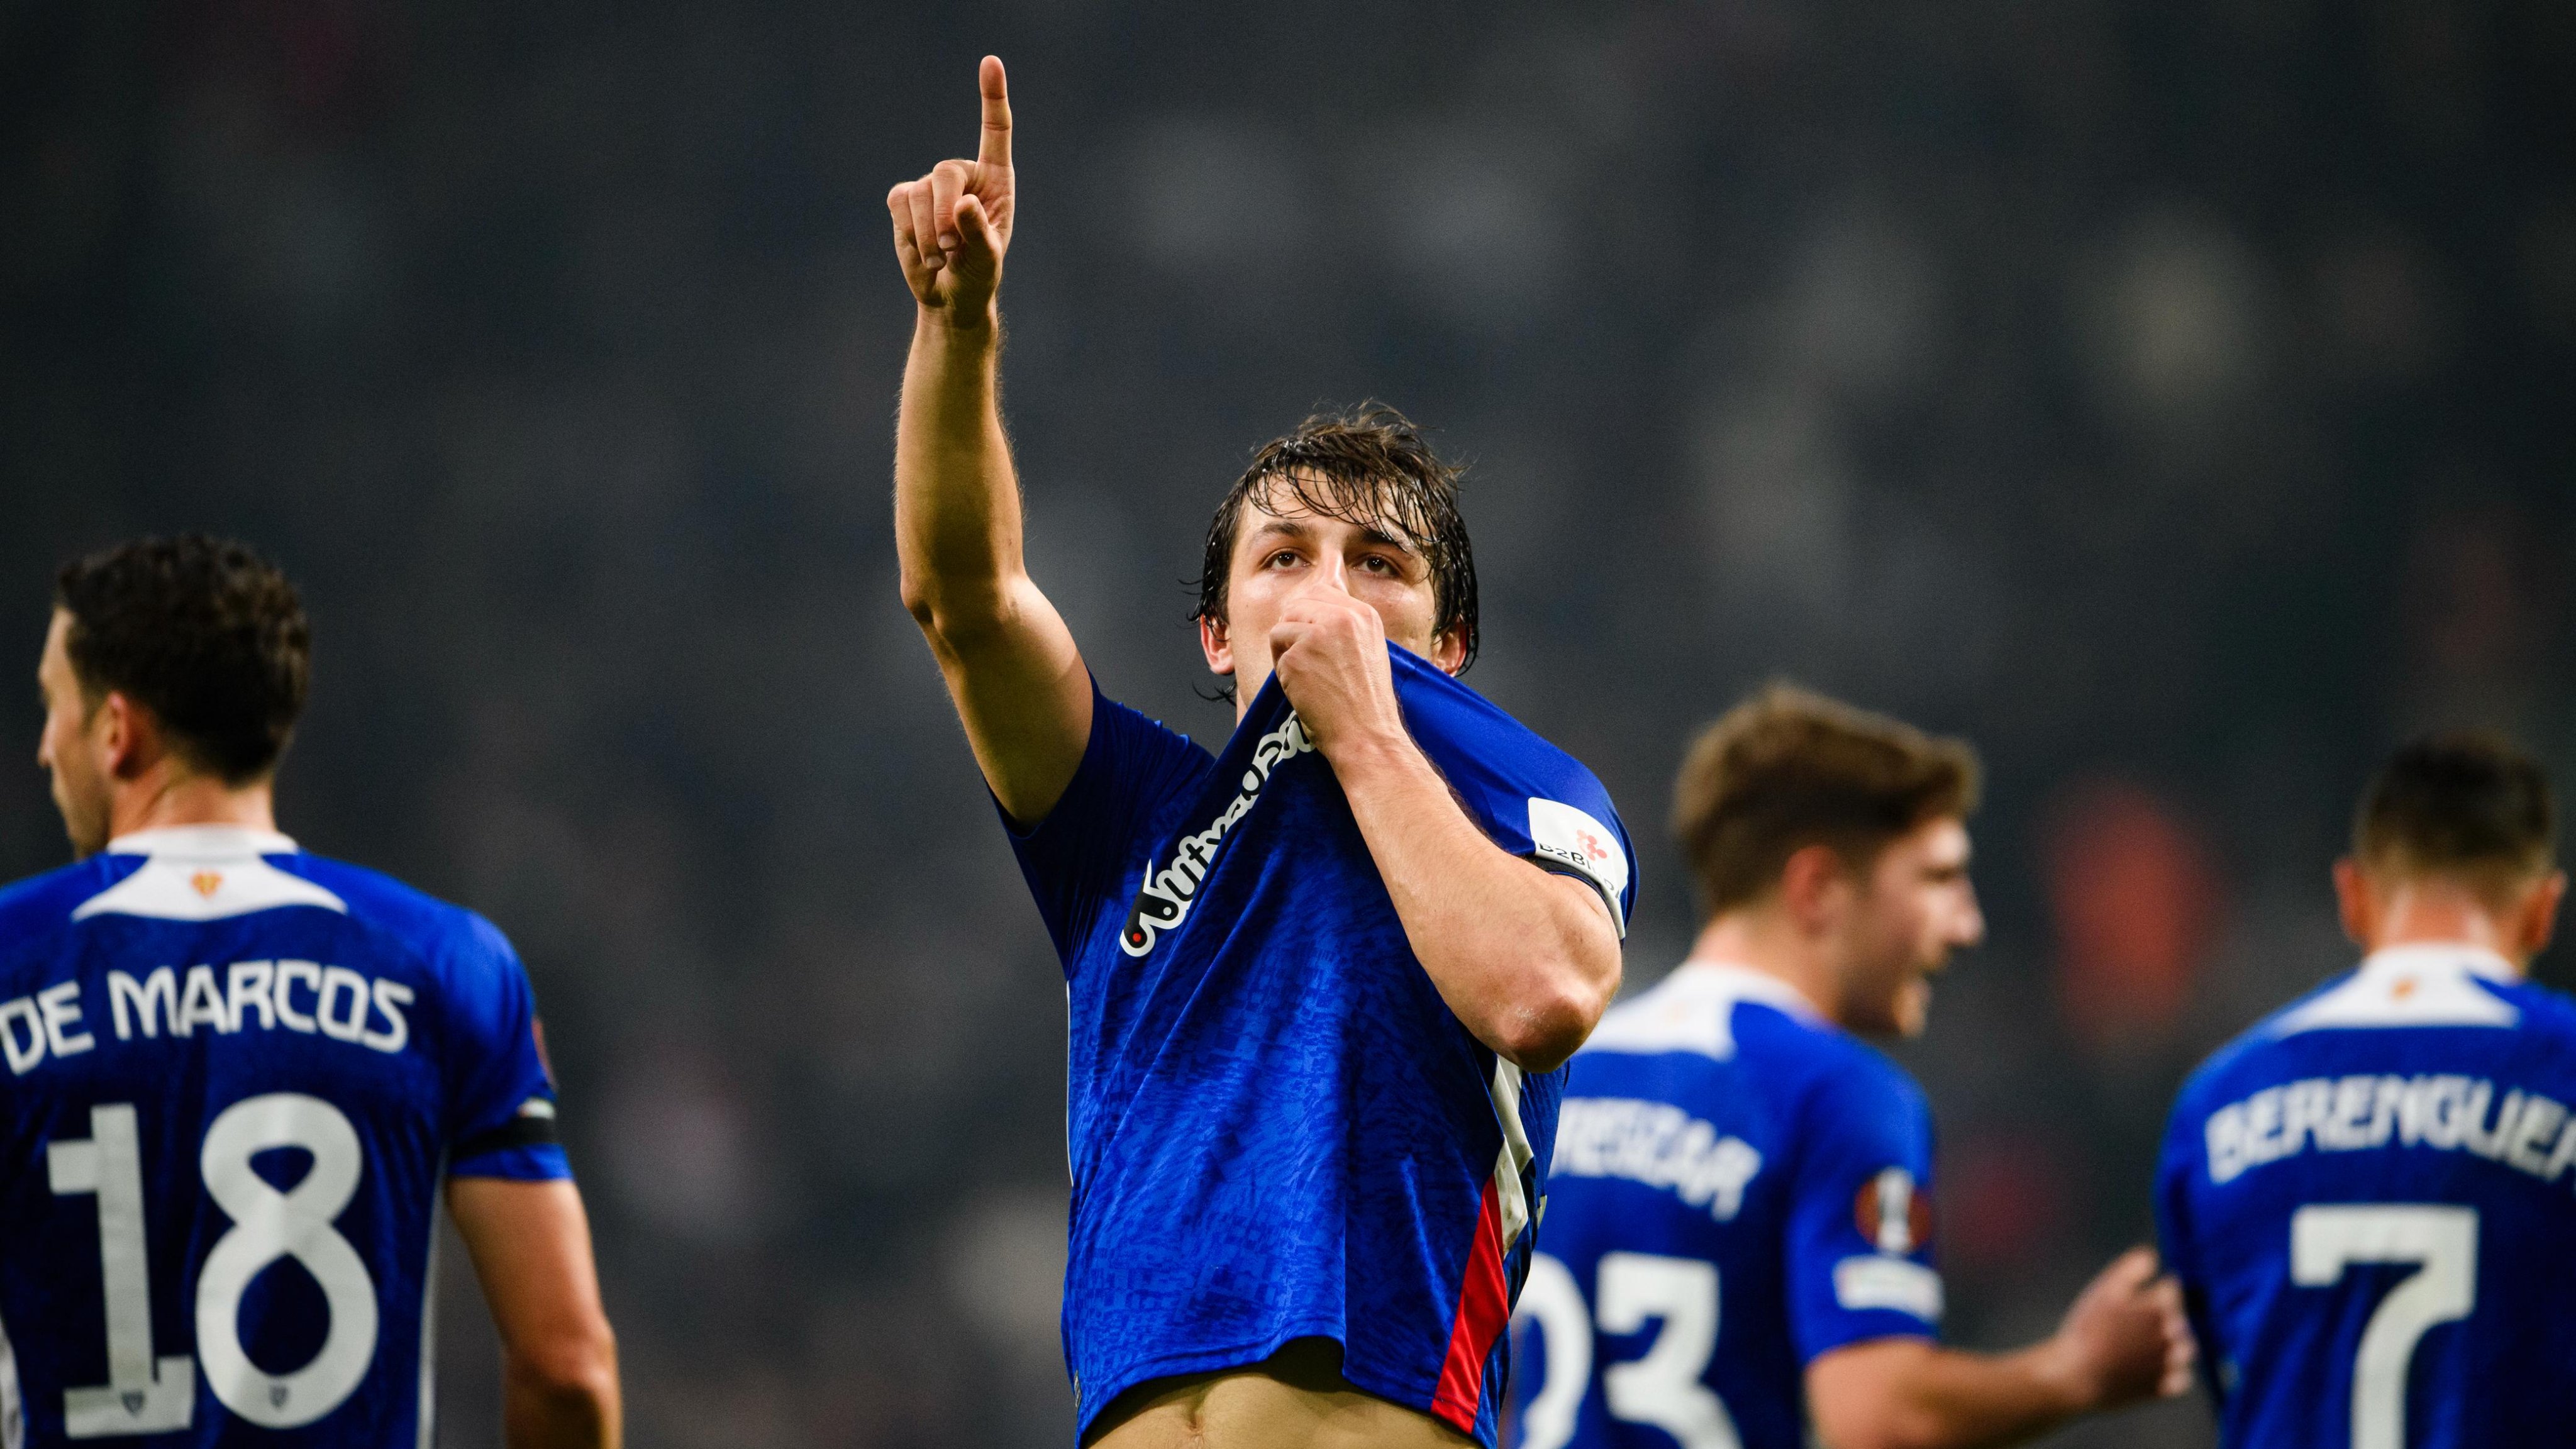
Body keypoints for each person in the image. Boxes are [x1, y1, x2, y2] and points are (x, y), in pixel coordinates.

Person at [885, 57, 1633, 1449]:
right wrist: (958, 327)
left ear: (1448, 642)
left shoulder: (1522, 790)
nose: (1330, 591)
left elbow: (1539, 992)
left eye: (1381, 564)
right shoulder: (1130, 814)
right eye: (1283, 557)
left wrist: (1364, 735)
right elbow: (963, 600)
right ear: (1217, 634)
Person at [0, 536, 619, 1448]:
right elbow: (567, 1368)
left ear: (117, 731)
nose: (46, 749)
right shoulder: (444, 963)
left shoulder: (15, 958)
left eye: (54, 707)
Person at [1513, 685, 2194, 1449]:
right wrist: (2075, 1373)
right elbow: (1878, 1420)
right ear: (1820, 890)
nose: (1967, 925)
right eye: (1936, 880)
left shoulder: (1570, 1071)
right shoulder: (1838, 1093)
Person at [2155, 731, 2576, 1448]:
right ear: (2544, 908)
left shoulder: (2219, 1098)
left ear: (2351, 896)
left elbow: (2226, 1369)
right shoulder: (2560, 1064)